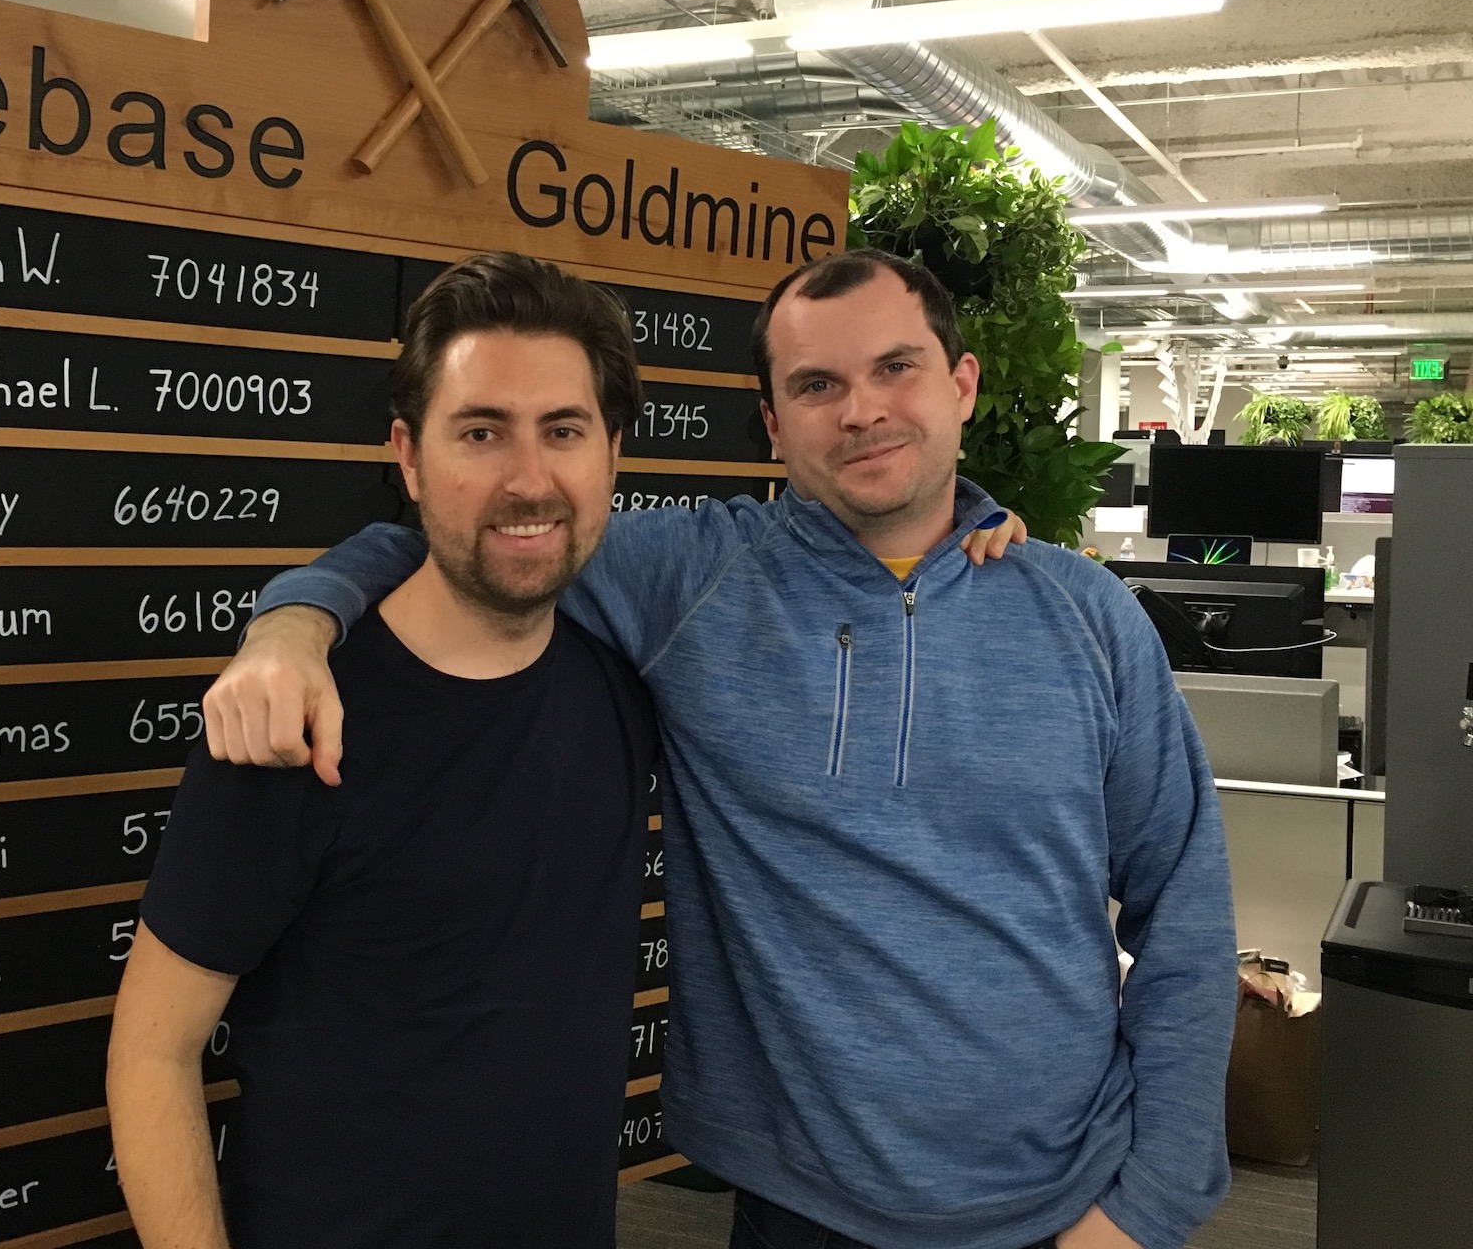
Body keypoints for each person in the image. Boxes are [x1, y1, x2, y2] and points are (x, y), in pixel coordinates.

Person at [208, 248, 1237, 1249]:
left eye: (895, 368)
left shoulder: (1085, 612)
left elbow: (1186, 911)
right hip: (798, 1211)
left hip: (1068, 1207)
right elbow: (488, 529)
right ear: (774, 424)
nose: (864, 408)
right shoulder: (691, 580)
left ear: (961, 384)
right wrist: (295, 620)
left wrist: (1145, 1206)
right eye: (818, 383)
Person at [107, 252, 666, 1249]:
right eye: (481, 432)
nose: (529, 477)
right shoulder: (292, 721)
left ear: (611, 454)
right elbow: (152, 1053)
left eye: (564, 431)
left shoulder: (624, 683)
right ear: (408, 456)